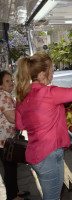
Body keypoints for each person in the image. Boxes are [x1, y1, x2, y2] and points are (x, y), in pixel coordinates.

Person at [14, 52, 72, 200]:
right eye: (51, 72)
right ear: (41, 74)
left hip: (35, 155)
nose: (52, 75)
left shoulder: (22, 96)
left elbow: (20, 124)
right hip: (49, 155)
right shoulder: (49, 92)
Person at [0, 71, 29, 200]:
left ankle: (15, 191)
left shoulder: (5, 95)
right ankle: (12, 197)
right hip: (4, 140)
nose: (11, 83)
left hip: (5, 139)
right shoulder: (3, 96)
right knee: (9, 168)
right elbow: (12, 118)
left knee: (11, 166)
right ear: (0, 84)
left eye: (11, 80)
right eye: (7, 81)